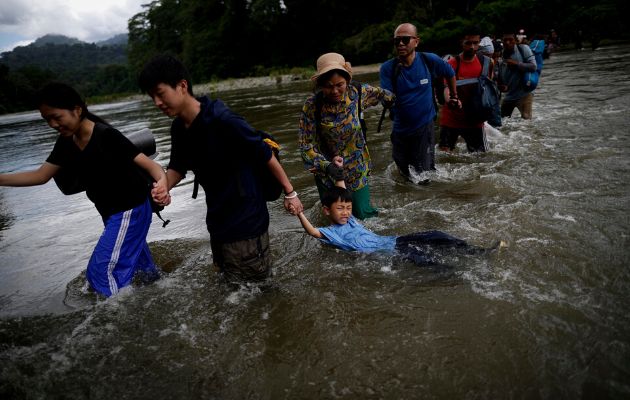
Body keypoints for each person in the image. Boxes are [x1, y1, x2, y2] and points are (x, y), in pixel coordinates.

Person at [139, 54, 303, 284]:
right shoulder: (179, 128)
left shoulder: (222, 119)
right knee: (231, 287)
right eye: (152, 97)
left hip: (247, 219)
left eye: (160, 93)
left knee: (256, 290)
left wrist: (290, 193)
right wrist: (163, 187)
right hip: (218, 220)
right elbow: (177, 168)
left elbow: (265, 155)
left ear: (182, 86)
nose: (157, 102)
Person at [0, 82, 167, 297]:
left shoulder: (106, 135)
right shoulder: (66, 142)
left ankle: (121, 324)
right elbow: (40, 176)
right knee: (144, 273)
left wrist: (162, 186)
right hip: (111, 215)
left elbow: (152, 166)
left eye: (56, 117)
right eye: (47, 119)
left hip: (130, 211)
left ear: (77, 110)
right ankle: (161, 297)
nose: (52, 124)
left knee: (100, 273)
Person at [295, 159, 502, 266]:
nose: (346, 212)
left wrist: (338, 169)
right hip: (389, 253)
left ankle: (477, 251)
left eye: (348, 208)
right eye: (340, 209)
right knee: (426, 260)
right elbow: (312, 232)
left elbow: (342, 192)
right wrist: (299, 212)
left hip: (395, 240)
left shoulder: (349, 221)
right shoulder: (332, 232)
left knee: (436, 235)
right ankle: (462, 274)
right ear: (326, 211)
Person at [299, 52, 394, 220]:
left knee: (364, 216)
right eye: (328, 86)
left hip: (356, 167)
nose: (334, 91)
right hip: (327, 171)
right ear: (320, 85)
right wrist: (327, 167)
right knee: (336, 219)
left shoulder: (358, 92)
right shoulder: (312, 105)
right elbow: (306, 145)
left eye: (339, 85)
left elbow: (386, 95)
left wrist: (395, 105)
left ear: (348, 81)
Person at [380, 23, 460, 181]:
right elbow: (386, 95)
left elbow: (450, 73)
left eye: (405, 39)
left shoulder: (428, 60)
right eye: (397, 41)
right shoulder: (388, 68)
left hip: (424, 126)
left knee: (423, 175)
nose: (401, 44)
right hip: (400, 128)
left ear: (416, 41)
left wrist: (454, 96)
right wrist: (384, 100)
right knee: (404, 174)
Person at [439, 30, 495, 153]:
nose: (472, 47)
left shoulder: (486, 63)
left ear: (479, 42)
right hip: (451, 118)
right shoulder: (451, 64)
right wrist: (451, 99)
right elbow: (446, 88)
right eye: (468, 43)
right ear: (461, 43)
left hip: (475, 120)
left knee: (481, 159)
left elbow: (488, 88)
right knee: (444, 156)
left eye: (475, 43)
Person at [497, 32, 537, 119]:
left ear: (515, 40)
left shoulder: (523, 49)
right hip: (509, 95)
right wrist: (500, 85)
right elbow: (500, 75)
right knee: (500, 122)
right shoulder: (500, 55)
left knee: (526, 121)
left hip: (524, 93)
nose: (507, 42)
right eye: (505, 40)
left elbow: (533, 66)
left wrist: (517, 64)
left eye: (510, 40)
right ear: (502, 41)